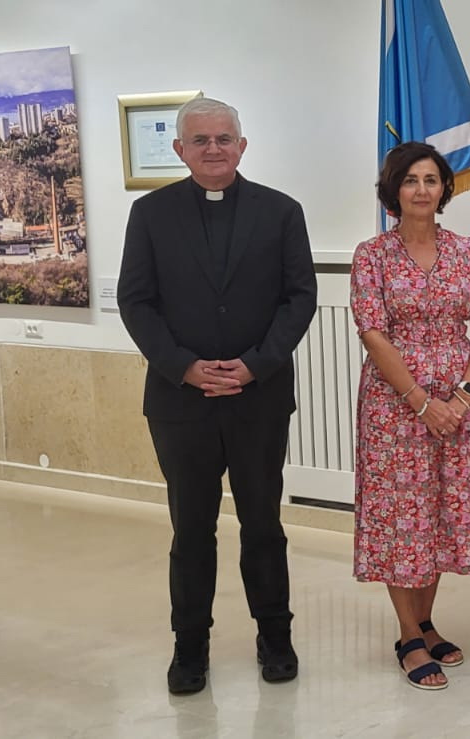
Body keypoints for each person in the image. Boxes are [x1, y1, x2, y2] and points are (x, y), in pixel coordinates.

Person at [117, 97, 317, 695]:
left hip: (259, 399)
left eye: (224, 138)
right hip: (181, 404)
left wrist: (256, 365)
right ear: (179, 149)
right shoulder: (150, 214)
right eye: (200, 140)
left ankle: (275, 637)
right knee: (191, 530)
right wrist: (184, 367)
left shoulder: (281, 211)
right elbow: (135, 301)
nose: (213, 148)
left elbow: (300, 297)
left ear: (242, 145)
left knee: (263, 526)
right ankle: (190, 649)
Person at [351, 141, 470, 691]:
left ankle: (428, 620)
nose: (421, 189)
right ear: (394, 190)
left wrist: (462, 396)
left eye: (431, 180)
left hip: (459, 408)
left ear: (444, 189)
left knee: (439, 512)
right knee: (402, 516)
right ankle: (408, 634)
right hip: (395, 409)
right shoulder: (372, 255)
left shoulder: (467, 251)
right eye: (410, 180)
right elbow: (373, 333)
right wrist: (420, 401)